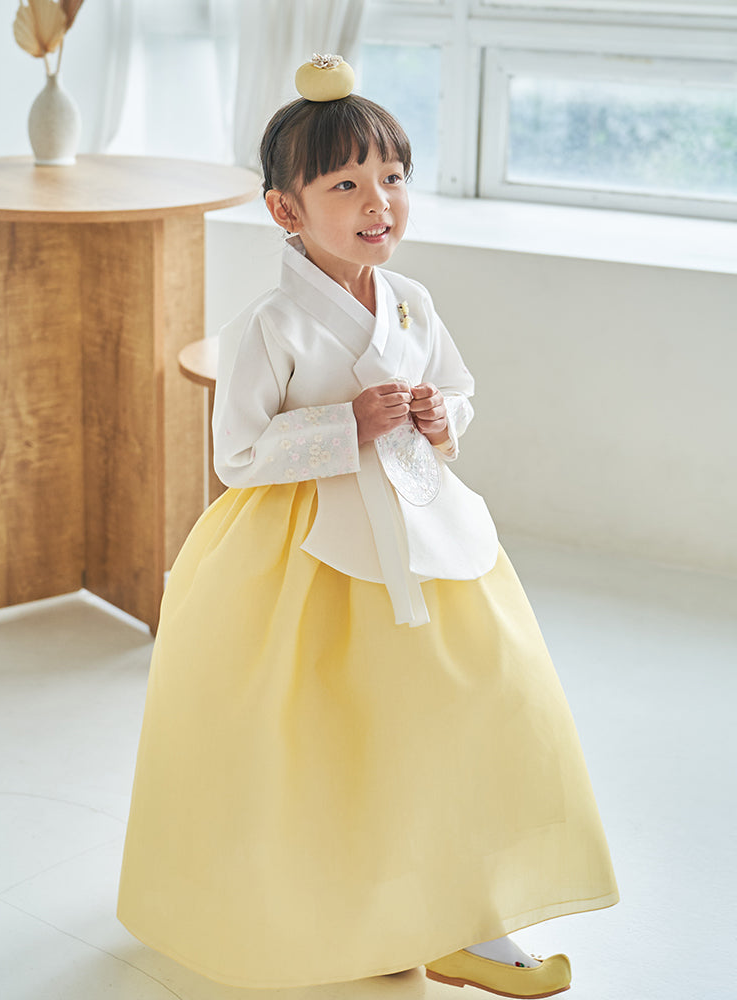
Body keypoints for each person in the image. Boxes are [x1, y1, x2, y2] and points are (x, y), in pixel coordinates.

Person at [118, 54, 618, 997]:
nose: (377, 201)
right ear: (286, 209)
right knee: (334, 735)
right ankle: (355, 911)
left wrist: (437, 416)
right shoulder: (269, 326)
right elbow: (236, 455)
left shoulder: (412, 302)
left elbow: (459, 389)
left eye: (391, 177)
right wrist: (341, 427)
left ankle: (463, 915)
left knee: (469, 705)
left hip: (428, 537)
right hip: (311, 555)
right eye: (344, 184)